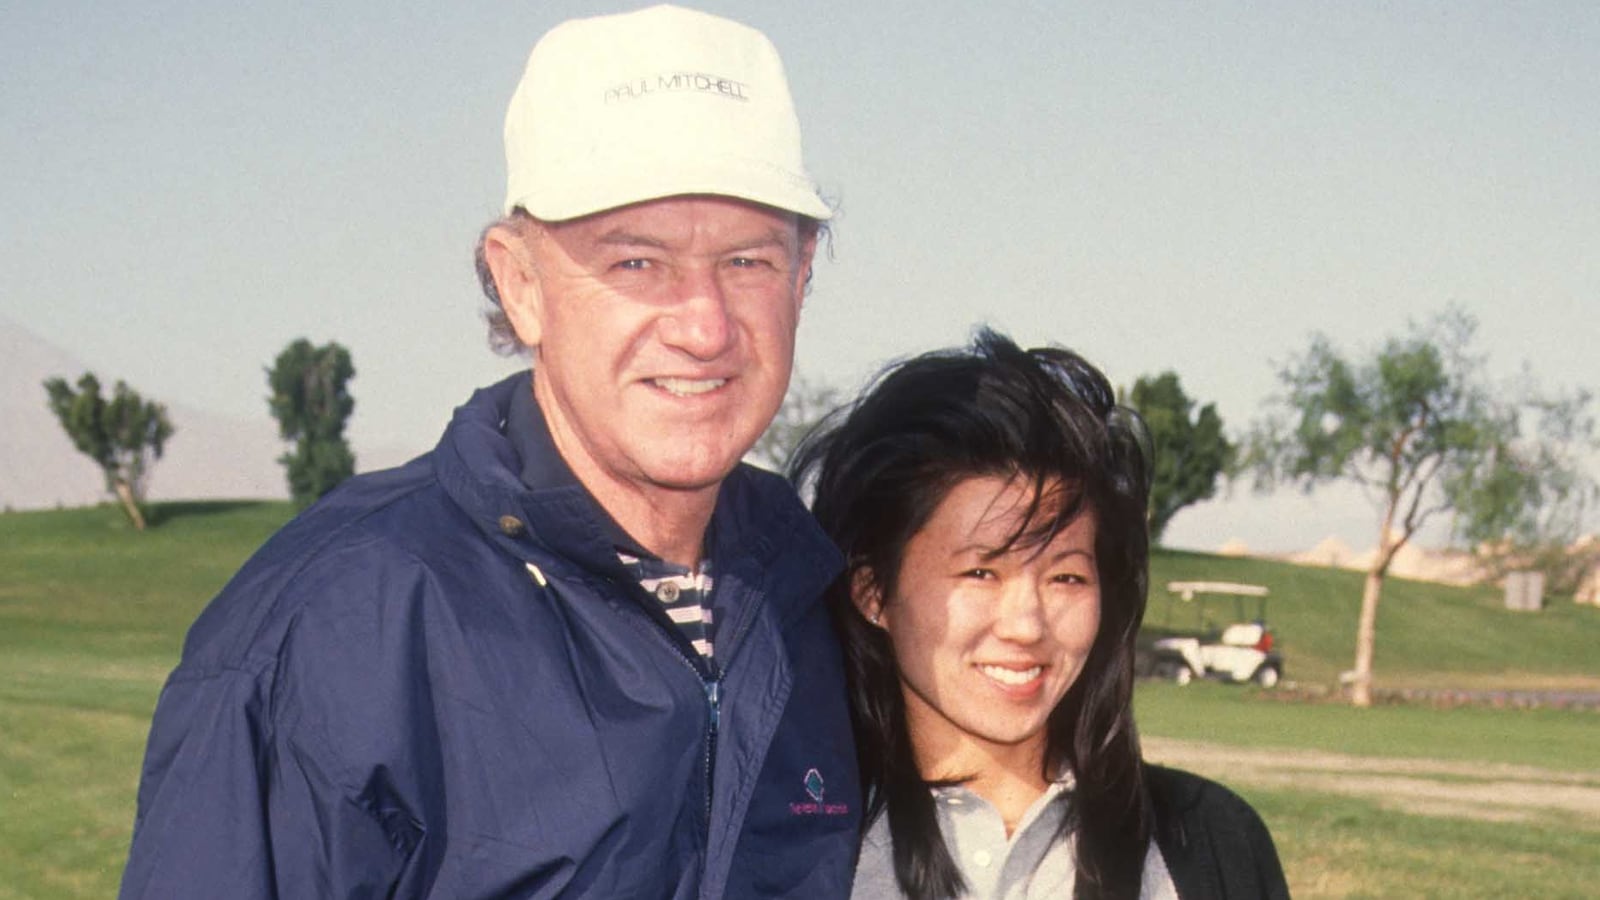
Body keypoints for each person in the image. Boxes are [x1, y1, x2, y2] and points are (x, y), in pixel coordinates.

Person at [119, 6, 859, 898]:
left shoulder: (819, 601)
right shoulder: (336, 623)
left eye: (747, 262)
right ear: (520, 283)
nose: (704, 326)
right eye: (636, 264)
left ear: (803, 276)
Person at [790, 329, 1288, 899]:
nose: (1027, 625)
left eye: (1066, 577)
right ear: (874, 592)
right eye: (981, 572)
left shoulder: (1212, 839)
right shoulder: (792, 842)